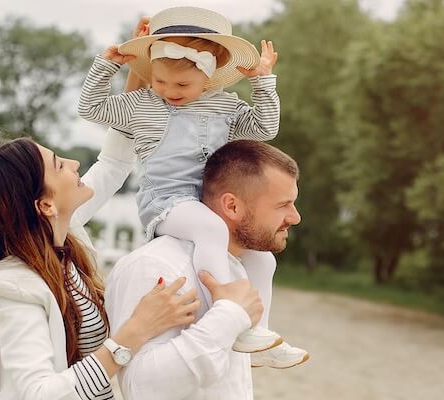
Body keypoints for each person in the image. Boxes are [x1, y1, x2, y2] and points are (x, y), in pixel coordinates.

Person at [0, 19, 253, 400]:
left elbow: (115, 162)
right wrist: (134, 331)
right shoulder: (14, 286)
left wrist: (140, 64)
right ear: (45, 204)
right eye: (58, 165)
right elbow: (41, 395)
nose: (74, 164)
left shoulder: (68, 241)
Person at [78, 5, 305, 364]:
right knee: (212, 229)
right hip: (167, 202)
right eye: (160, 81)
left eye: (182, 84)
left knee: (263, 257)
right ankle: (226, 311)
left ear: (209, 76)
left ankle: (258, 334)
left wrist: (262, 82)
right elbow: (90, 108)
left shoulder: (225, 107)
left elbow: (265, 128)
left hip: (208, 202)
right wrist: (107, 65)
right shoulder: (141, 106)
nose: (169, 90)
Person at [104, 140, 310, 400]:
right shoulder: (155, 267)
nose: (295, 217)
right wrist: (228, 316)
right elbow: (143, 390)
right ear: (232, 206)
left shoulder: (239, 265)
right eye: (283, 205)